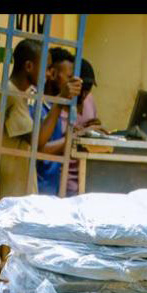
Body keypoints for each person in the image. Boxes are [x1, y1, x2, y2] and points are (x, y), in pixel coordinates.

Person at [0, 39, 42, 199]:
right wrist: (59, 103)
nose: (48, 74)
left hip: (17, 185)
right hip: (13, 189)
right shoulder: (12, 94)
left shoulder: (18, 93)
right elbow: (38, 141)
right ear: (29, 66)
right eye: (44, 68)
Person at [35, 47, 82, 195]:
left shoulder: (52, 107)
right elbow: (37, 149)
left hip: (51, 187)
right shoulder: (37, 105)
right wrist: (68, 140)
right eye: (69, 77)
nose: (71, 84)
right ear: (53, 74)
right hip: (38, 189)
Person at [59, 58, 104, 196]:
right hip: (64, 179)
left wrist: (95, 130)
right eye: (84, 89)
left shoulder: (89, 100)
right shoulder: (58, 107)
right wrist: (78, 133)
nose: (85, 94)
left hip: (87, 175)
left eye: (89, 89)